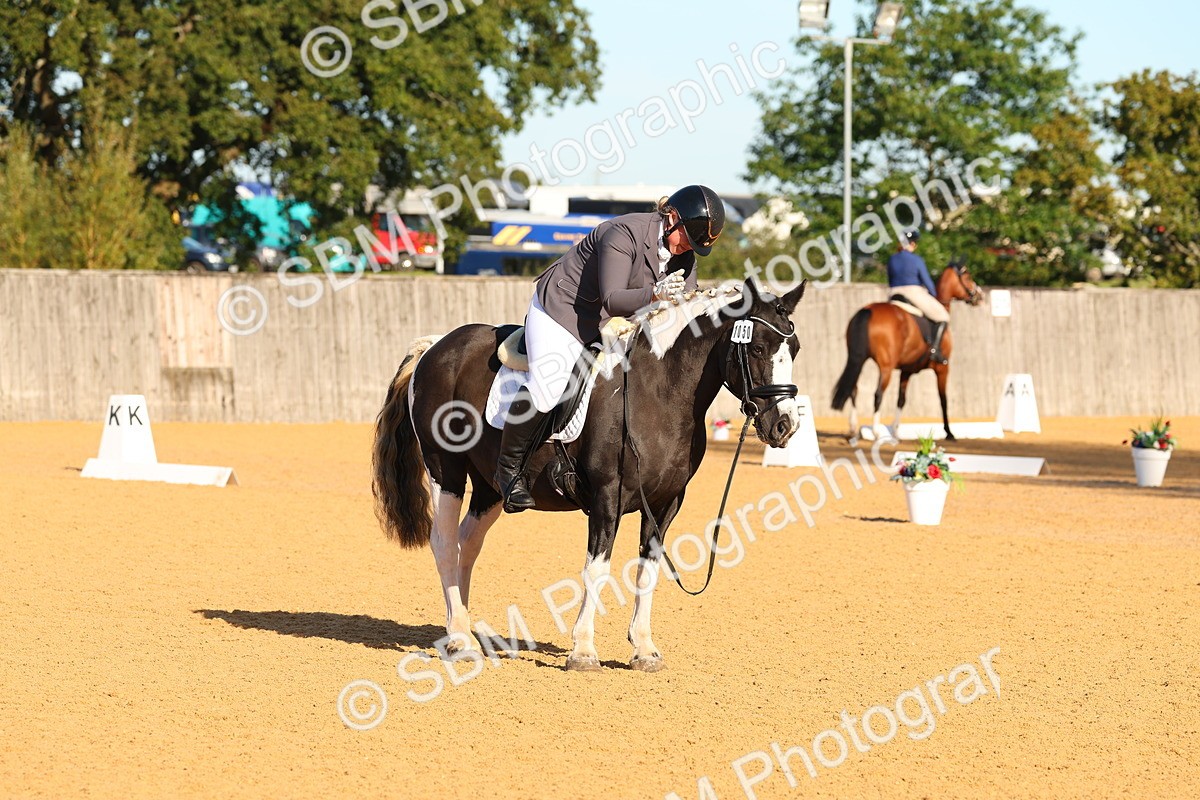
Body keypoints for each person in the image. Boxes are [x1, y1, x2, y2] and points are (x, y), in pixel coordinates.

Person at [494, 184, 726, 513]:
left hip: (613, 324)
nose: (687, 248)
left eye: (694, 245)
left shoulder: (684, 254)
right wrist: (656, 294)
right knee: (550, 386)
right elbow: (613, 299)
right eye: (686, 238)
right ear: (671, 217)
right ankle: (509, 471)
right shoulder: (623, 233)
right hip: (564, 313)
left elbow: (684, 309)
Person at [886, 229, 949, 364]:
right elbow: (927, 281)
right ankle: (935, 350)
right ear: (913, 244)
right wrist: (933, 295)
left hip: (894, 293)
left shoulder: (892, 259)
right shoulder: (916, 259)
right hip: (913, 292)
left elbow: (890, 280)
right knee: (943, 316)